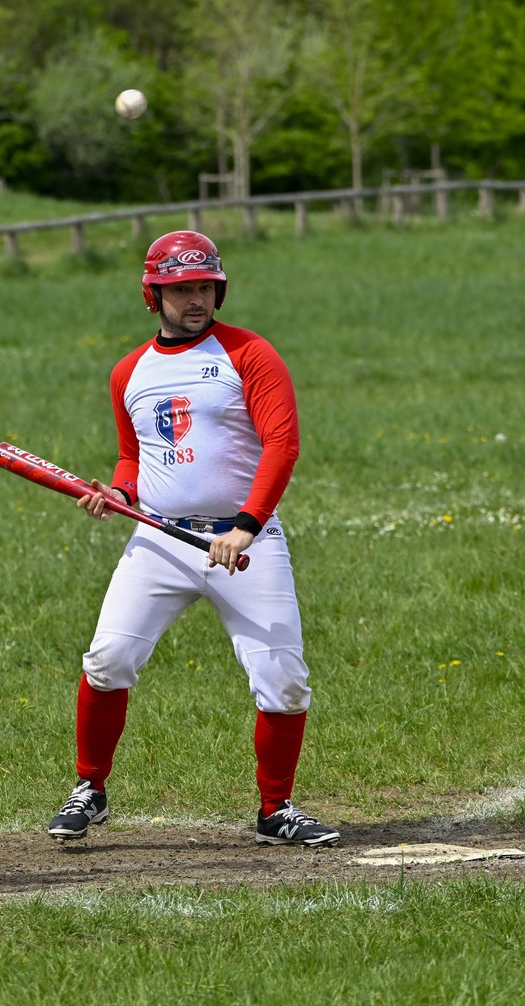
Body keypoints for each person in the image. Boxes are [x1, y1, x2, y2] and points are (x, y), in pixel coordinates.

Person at [46, 230, 339, 847]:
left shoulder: (251, 354)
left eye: (204, 286)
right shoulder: (129, 371)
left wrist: (246, 526)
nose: (195, 298)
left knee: (282, 678)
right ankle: (89, 789)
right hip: (159, 543)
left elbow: (282, 446)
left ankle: (275, 810)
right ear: (154, 293)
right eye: (180, 289)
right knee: (107, 661)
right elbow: (134, 456)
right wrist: (121, 495)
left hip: (245, 542)